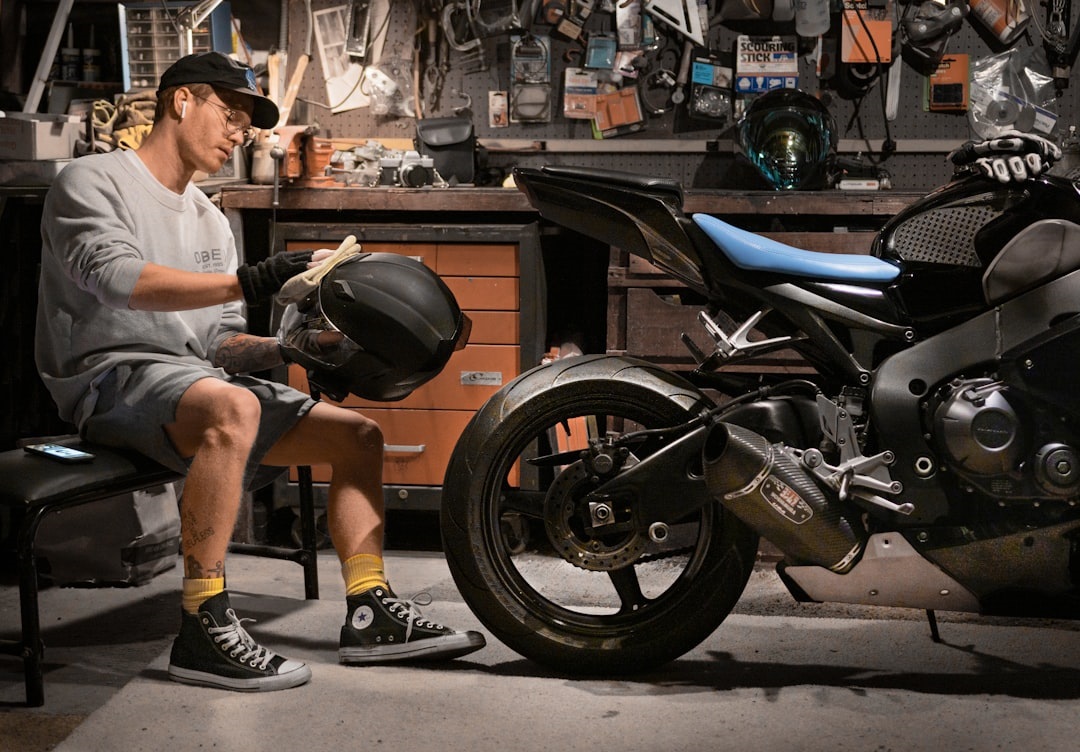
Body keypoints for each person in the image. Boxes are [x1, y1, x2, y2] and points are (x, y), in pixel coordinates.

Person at [35, 51, 485, 693]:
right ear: (181, 101)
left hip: (191, 384)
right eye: (230, 113)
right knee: (235, 408)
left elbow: (219, 344)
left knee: (358, 437)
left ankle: (368, 609)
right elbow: (115, 281)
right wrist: (250, 279)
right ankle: (202, 624)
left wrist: (298, 351)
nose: (240, 132)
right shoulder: (90, 181)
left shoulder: (210, 217)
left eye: (247, 122)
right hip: (109, 380)